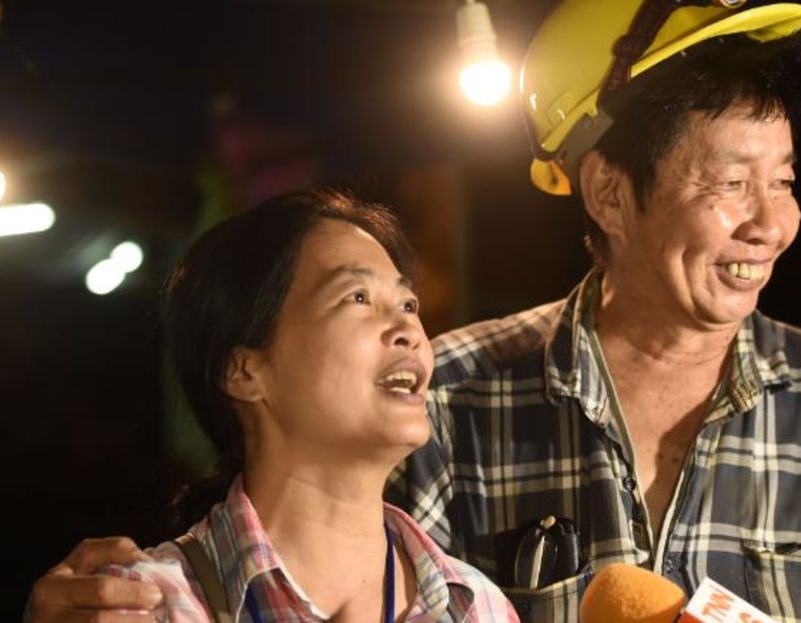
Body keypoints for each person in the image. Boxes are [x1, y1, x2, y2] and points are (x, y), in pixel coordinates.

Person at [28, 2, 801, 622]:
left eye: (784, 180)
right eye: (732, 183)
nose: (773, 221)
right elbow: (307, 558)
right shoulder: (451, 394)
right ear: (607, 191)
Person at [53, 190, 518, 622]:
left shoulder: (479, 607)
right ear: (245, 371)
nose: (408, 329)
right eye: (357, 297)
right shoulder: (146, 605)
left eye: (409, 304)